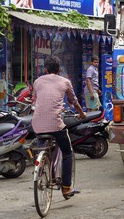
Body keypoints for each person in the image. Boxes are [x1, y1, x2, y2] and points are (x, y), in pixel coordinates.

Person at [31, 55, 86, 197]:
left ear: (45, 69)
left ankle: (40, 165)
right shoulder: (65, 81)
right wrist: (82, 114)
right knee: (67, 152)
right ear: (59, 69)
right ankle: (66, 187)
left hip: (37, 124)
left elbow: (37, 101)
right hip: (56, 123)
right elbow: (73, 101)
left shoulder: (37, 82)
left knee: (40, 145)